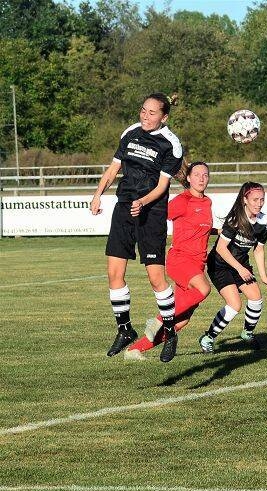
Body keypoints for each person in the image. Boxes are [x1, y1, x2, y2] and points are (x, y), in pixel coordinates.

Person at [90, 92, 183, 362]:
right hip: (124, 208)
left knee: (156, 278)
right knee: (114, 273)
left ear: (164, 117)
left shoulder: (171, 144)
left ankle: (169, 332)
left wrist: (142, 202)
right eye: (143, 110)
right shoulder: (130, 133)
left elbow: (162, 186)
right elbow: (113, 169)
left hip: (151, 212)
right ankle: (125, 329)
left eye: (152, 113)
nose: (145, 116)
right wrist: (98, 195)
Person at [124, 161, 214, 361]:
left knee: (180, 322)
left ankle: (134, 350)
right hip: (180, 260)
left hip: (198, 264)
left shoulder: (207, 202)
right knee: (204, 289)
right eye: (197, 174)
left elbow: (200, 228)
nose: (201, 178)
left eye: (205, 175)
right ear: (188, 178)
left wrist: (220, 231)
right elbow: (157, 216)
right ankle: (157, 320)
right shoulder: (182, 200)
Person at [198, 181, 267, 352]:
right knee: (235, 305)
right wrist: (240, 269)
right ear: (245, 200)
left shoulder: (263, 220)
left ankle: (247, 333)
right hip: (219, 264)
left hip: (240, 264)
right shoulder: (235, 219)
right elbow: (221, 248)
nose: (259, 203)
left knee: (256, 298)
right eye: (255, 199)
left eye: (262, 199)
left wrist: (264, 277)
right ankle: (208, 337)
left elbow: (259, 249)